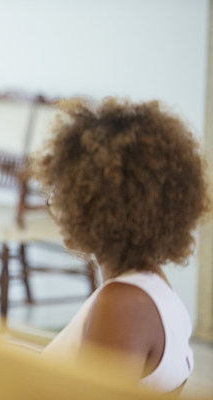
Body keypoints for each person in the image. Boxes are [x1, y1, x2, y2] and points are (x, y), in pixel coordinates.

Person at [35, 98, 210, 392]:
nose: (53, 204)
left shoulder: (122, 304)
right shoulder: (152, 287)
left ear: (93, 205)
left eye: (61, 190)